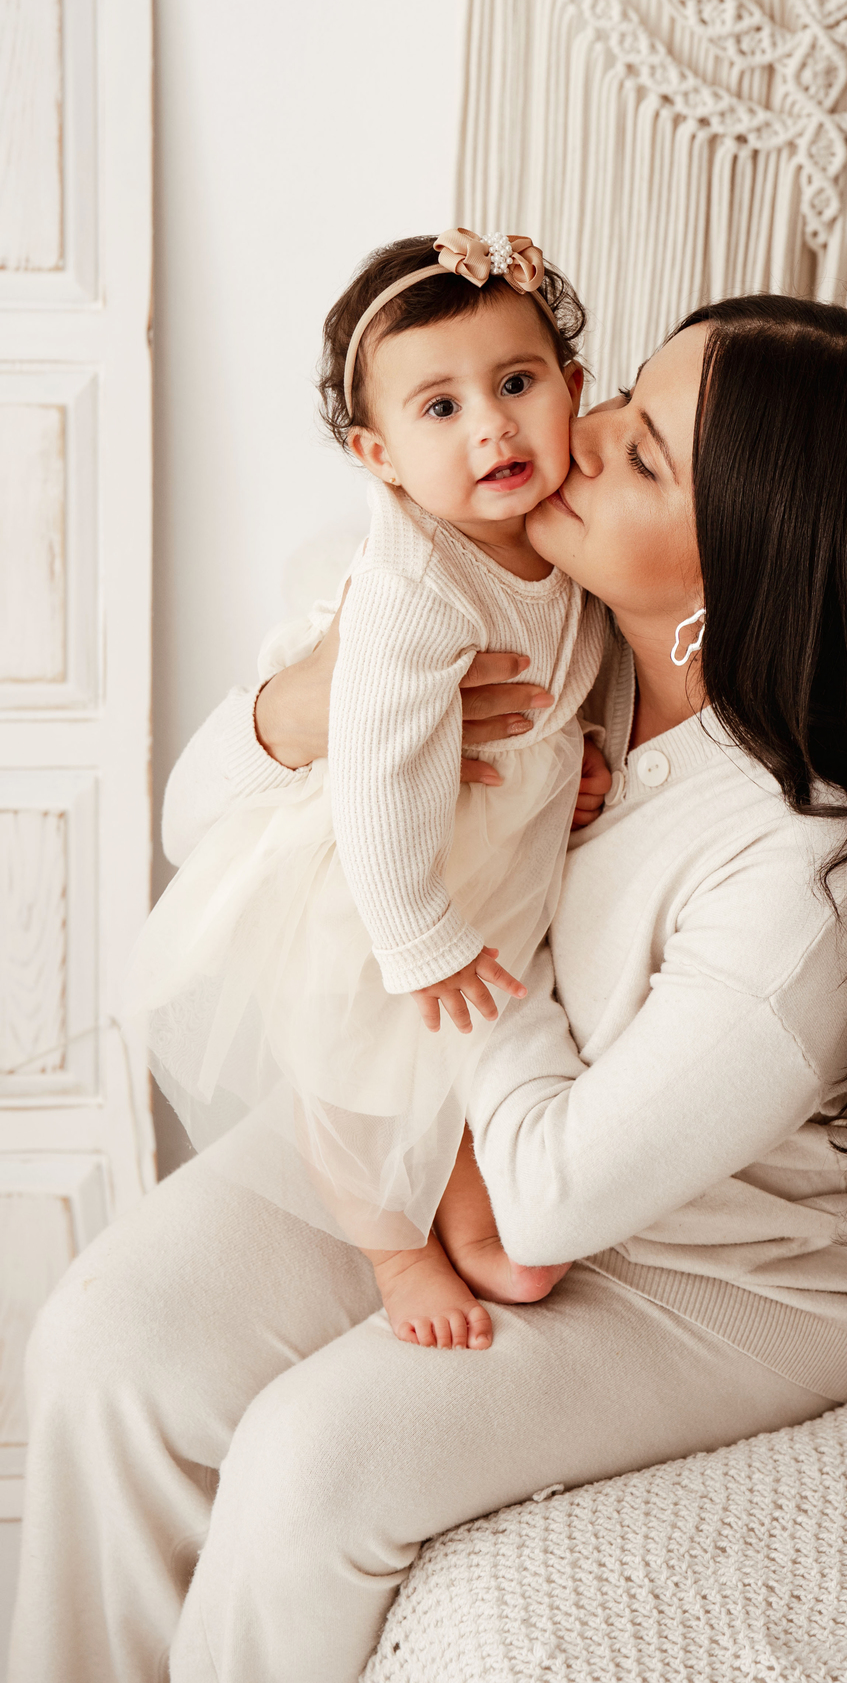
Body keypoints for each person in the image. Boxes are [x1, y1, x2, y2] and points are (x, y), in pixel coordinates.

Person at [9, 296, 847, 1683]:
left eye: (644, 457)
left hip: (737, 1264)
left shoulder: (812, 876)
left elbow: (561, 1191)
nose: (581, 434)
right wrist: (325, 703)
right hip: (475, 1129)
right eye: (622, 395)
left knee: (310, 1469)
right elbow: (199, 816)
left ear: (745, 563)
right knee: (109, 1333)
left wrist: (449, 924)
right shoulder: (517, 606)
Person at [123, 227, 608, 1347]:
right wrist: (415, 933)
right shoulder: (412, 588)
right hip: (379, 890)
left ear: (572, 389)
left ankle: (466, 1203)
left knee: (467, 1105)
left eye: (518, 383)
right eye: (439, 408)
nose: (491, 424)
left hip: (484, 872)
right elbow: (379, 793)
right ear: (379, 455)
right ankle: (395, 1252)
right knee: (357, 1066)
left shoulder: (561, 529)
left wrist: (592, 752)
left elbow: (601, 660)